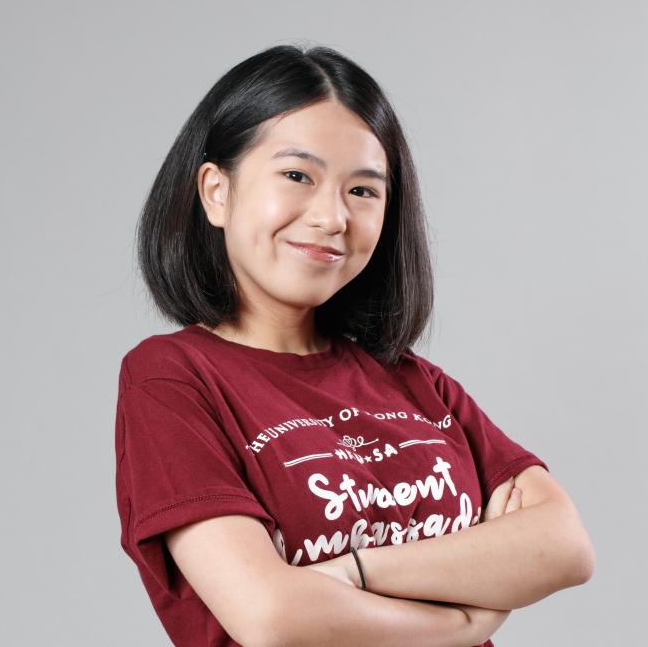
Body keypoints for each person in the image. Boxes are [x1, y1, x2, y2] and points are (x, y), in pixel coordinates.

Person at [114, 44, 596, 647]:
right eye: (297, 176)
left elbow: (564, 546)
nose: (331, 217)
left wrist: (352, 573)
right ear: (217, 191)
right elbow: (270, 616)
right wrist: (463, 618)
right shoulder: (173, 379)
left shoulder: (415, 381)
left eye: (363, 191)